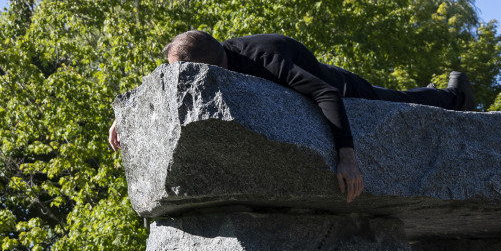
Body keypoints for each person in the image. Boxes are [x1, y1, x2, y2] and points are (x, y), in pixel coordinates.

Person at [108, 30, 474, 202]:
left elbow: (325, 93)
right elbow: (167, 82)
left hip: (333, 82)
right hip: (311, 76)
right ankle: (440, 92)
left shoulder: (264, 61)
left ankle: (455, 97)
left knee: (391, 101)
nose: (177, 81)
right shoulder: (209, 59)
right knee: (391, 97)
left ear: (206, 66)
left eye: (182, 73)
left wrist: (347, 156)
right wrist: (128, 117)